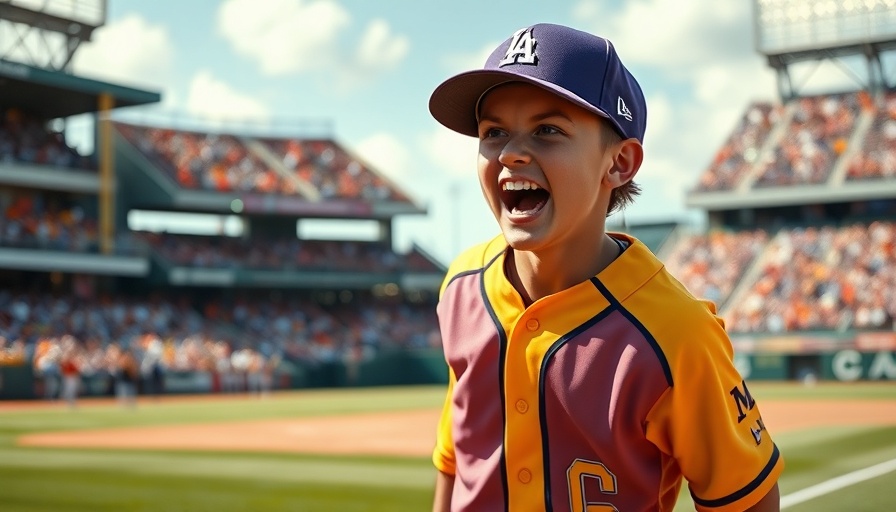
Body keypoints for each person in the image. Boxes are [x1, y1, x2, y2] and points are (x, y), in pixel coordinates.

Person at [427, 23, 783, 512]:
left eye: (548, 130)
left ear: (619, 163)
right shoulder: (462, 285)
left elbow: (747, 502)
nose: (510, 152)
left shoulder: (678, 334)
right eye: (494, 133)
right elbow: (456, 459)